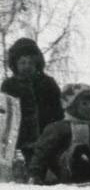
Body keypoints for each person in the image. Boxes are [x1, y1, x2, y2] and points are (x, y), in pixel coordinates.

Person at [1, 38, 64, 168]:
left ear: (37, 63)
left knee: (50, 168)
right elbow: (4, 112)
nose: (27, 66)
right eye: (22, 62)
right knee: (20, 166)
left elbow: (58, 109)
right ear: (15, 64)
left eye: (30, 62)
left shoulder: (47, 83)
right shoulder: (9, 85)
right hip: (19, 139)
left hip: (46, 137)